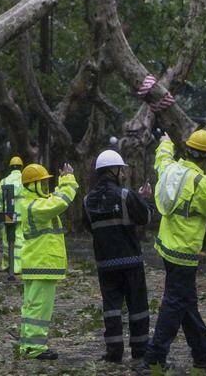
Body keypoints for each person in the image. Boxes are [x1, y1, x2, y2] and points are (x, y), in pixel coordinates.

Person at [143, 130, 206, 371]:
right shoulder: (200, 182)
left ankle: (203, 353)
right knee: (174, 304)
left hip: (167, 247)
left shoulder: (170, 169)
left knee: (186, 302)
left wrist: (165, 142)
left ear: (187, 150)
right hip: (184, 253)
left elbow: (162, 158)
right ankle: (154, 357)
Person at [83, 150, 153, 363]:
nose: (123, 173)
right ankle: (140, 349)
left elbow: (89, 226)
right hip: (130, 261)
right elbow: (145, 218)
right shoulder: (125, 195)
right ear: (113, 171)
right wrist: (145, 200)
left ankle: (114, 351)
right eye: (121, 169)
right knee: (138, 307)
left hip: (105, 263)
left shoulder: (87, 200)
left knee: (111, 308)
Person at [17, 163, 78, 360]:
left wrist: (60, 183)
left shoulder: (32, 203)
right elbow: (60, 203)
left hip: (37, 263)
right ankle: (35, 348)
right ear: (32, 185)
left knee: (32, 306)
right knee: (39, 308)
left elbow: (53, 199)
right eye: (42, 183)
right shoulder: (35, 206)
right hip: (41, 264)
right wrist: (69, 180)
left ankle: (28, 345)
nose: (45, 187)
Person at [0, 156, 25, 274]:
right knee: (19, 239)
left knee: (6, 238)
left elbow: (0, 198)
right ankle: (17, 267)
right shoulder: (25, 179)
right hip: (21, 213)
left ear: (10, 167)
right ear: (21, 167)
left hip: (8, 213)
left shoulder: (4, 181)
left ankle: (6, 265)